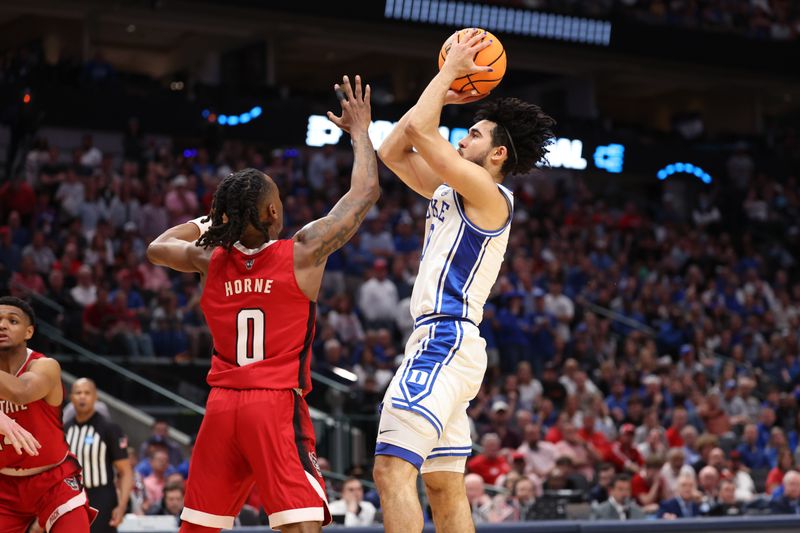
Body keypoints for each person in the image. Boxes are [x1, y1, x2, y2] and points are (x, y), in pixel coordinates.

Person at [147, 74, 379, 533]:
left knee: (201, 526)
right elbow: (364, 193)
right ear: (272, 213)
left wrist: (212, 223)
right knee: (299, 523)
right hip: (273, 405)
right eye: (277, 200)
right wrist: (360, 133)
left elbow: (157, 246)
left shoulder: (207, 257)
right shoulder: (304, 250)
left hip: (220, 407)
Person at [373, 28, 555, 533]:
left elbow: (424, 136)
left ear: (498, 155)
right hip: (448, 344)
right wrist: (445, 88)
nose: (462, 137)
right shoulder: (453, 188)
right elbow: (394, 147)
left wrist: (449, 71)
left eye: (474, 134)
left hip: (444, 340)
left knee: (390, 470)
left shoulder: (488, 194)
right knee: (444, 487)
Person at [0, 296, 96, 531]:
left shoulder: (45, 366)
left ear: (28, 332)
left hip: (53, 480)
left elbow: (20, 392)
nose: (2, 325)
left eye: (12, 321)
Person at [64, 378, 133, 533]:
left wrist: (122, 506)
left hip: (102, 497)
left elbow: (126, 471)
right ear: (71, 397)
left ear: (96, 397)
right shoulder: (64, 429)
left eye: (87, 393)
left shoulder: (109, 428)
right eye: (78, 392)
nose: (82, 396)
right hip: (71, 497)